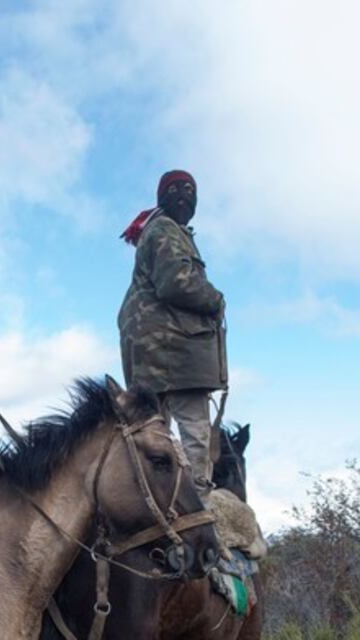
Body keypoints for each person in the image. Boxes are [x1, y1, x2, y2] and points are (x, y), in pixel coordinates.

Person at [118, 169, 227, 495]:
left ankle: (150, 502)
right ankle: (196, 508)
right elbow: (177, 282)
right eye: (176, 188)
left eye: (191, 189)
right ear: (161, 197)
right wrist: (216, 300)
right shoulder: (166, 229)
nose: (185, 194)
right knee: (194, 431)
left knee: (152, 433)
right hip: (176, 353)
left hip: (151, 356)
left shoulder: (156, 230)